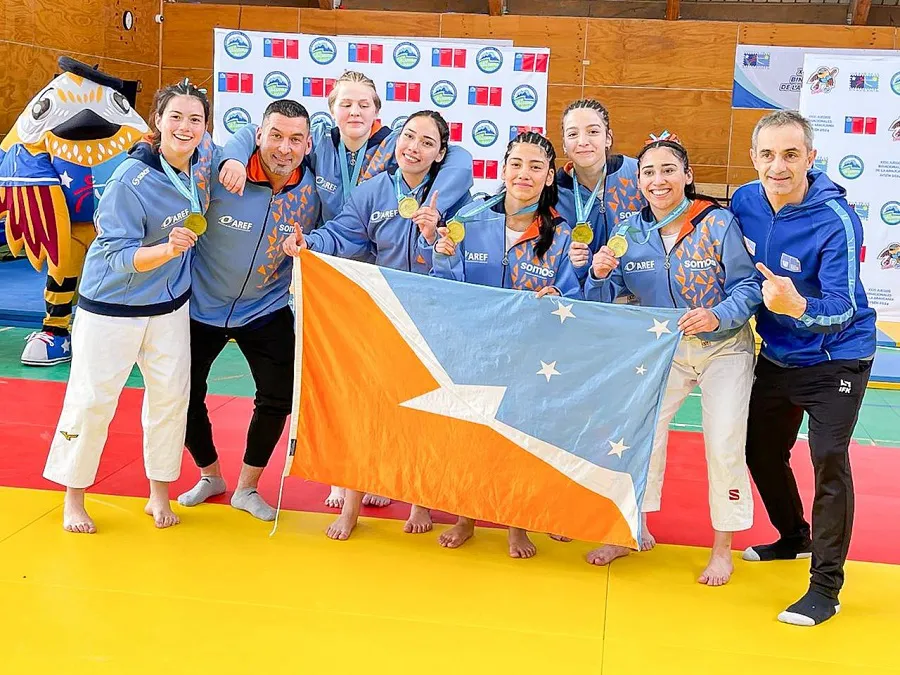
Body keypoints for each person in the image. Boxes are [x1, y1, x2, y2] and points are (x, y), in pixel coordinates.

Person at [223, 70, 474, 509]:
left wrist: (433, 211)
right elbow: (252, 132)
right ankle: (345, 474)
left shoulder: (402, 152)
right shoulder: (318, 143)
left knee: (404, 391)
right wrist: (309, 241)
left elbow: (461, 162)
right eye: (346, 104)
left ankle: (398, 477)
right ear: (331, 108)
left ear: (380, 114)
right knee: (343, 386)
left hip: (392, 289)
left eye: (364, 105)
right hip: (334, 283)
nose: (354, 112)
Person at [283, 110, 470, 540]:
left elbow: (458, 242)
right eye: (408, 137)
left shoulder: (456, 196)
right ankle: (352, 505)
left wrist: (433, 235)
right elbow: (344, 234)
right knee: (369, 410)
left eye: (427, 142)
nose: (414, 147)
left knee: (424, 412)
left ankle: (419, 499)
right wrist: (310, 242)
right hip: (383, 315)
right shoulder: (373, 191)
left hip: (434, 319)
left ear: (440, 153)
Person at [583, 133, 760, 585]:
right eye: (648, 172)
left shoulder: (716, 222)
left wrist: (717, 315)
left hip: (725, 347)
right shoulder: (628, 232)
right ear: (637, 180)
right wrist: (599, 275)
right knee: (642, 437)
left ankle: (723, 549)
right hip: (664, 351)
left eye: (667, 170)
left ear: (687, 175)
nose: (657, 180)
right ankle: (632, 529)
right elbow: (610, 298)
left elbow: (748, 286)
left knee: (723, 442)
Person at [42, 80, 213, 533]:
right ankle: (73, 497)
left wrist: (232, 163)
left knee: (171, 400)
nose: (185, 126)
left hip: (170, 306)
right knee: (92, 401)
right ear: (157, 121)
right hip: (111, 307)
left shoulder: (200, 160)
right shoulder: (128, 178)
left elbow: (232, 147)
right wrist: (167, 251)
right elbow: (116, 255)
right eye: (175, 116)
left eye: (195, 119)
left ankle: (159, 493)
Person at [731, 110, 876, 626]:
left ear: (810, 159)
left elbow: (843, 305)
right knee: (759, 449)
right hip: (777, 355)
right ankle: (793, 535)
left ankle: (825, 588)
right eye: (768, 154)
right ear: (753, 159)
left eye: (791, 154)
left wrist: (799, 308)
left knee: (828, 460)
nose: (779, 166)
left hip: (839, 355)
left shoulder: (836, 220)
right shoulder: (744, 201)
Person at [430, 131, 580, 558]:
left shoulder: (562, 235)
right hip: (473, 351)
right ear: (502, 169)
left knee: (518, 441)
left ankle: (516, 524)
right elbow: (447, 288)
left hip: (528, 358)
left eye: (536, 167)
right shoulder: (469, 221)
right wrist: (443, 255)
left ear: (550, 176)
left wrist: (560, 300)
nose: (524, 173)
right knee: (471, 439)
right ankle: (465, 518)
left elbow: (571, 298)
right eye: (516, 163)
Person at [176, 100, 319, 521]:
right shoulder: (222, 172)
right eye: (275, 135)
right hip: (201, 304)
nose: (284, 148)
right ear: (258, 135)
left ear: (308, 145)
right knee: (182, 395)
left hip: (266, 306)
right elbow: (183, 145)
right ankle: (210, 475)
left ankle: (247, 487)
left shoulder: (314, 191)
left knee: (278, 398)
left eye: (295, 139)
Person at [557, 99, 644, 292]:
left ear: (608, 138)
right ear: (564, 144)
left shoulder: (638, 174)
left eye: (593, 132)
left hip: (640, 298)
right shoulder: (554, 192)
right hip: (584, 298)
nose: (583, 142)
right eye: (572, 134)